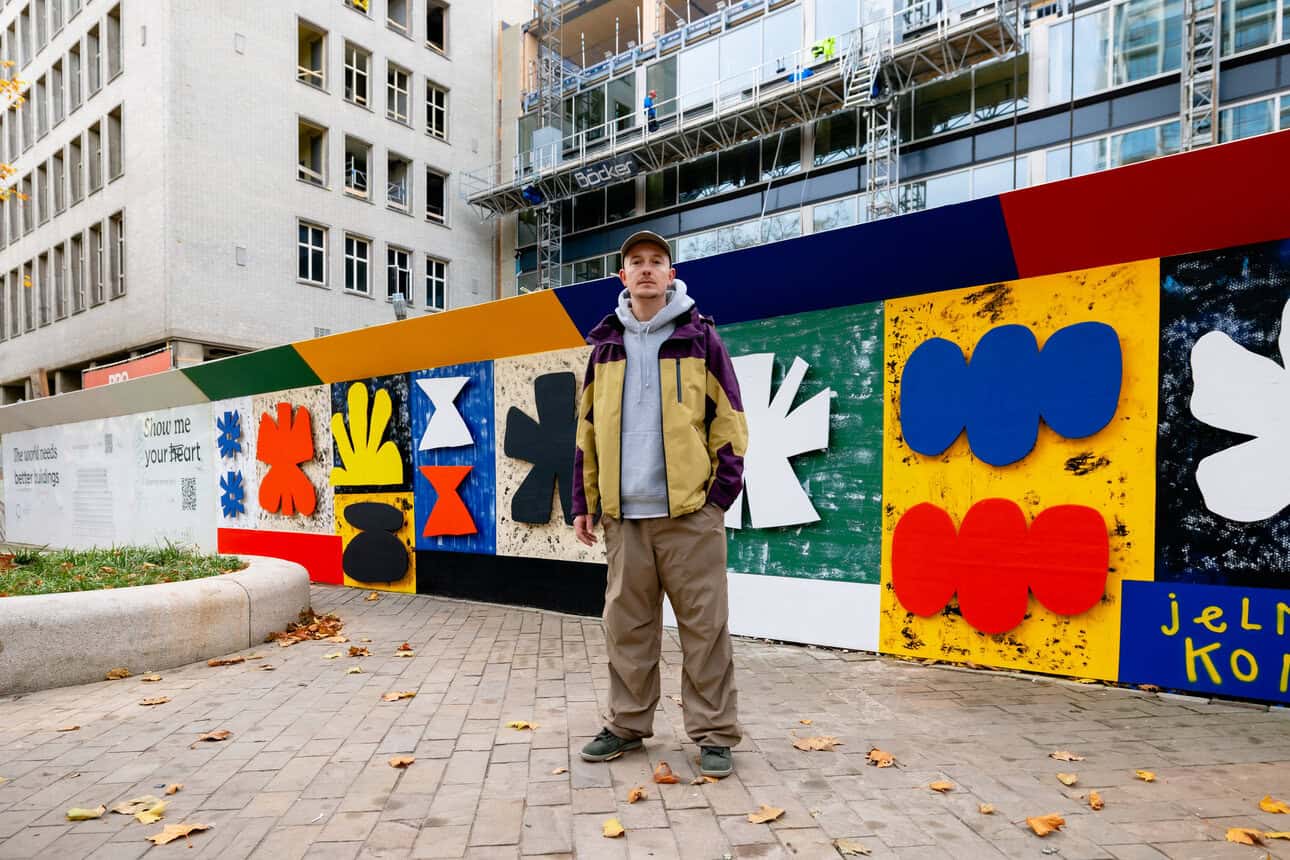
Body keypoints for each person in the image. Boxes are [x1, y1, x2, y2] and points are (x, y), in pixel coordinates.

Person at [571, 229, 748, 778]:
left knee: (705, 629)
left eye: (657, 261)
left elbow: (731, 424)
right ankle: (627, 725)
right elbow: (587, 431)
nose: (647, 269)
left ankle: (714, 734)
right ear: (622, 277)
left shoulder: (700, 340)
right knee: (626, 630)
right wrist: (586, 501)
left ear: (670, 274)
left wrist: (715, 499)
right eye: (636, 263)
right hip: (625, 520)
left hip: (690, 517)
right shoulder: (604, 348)